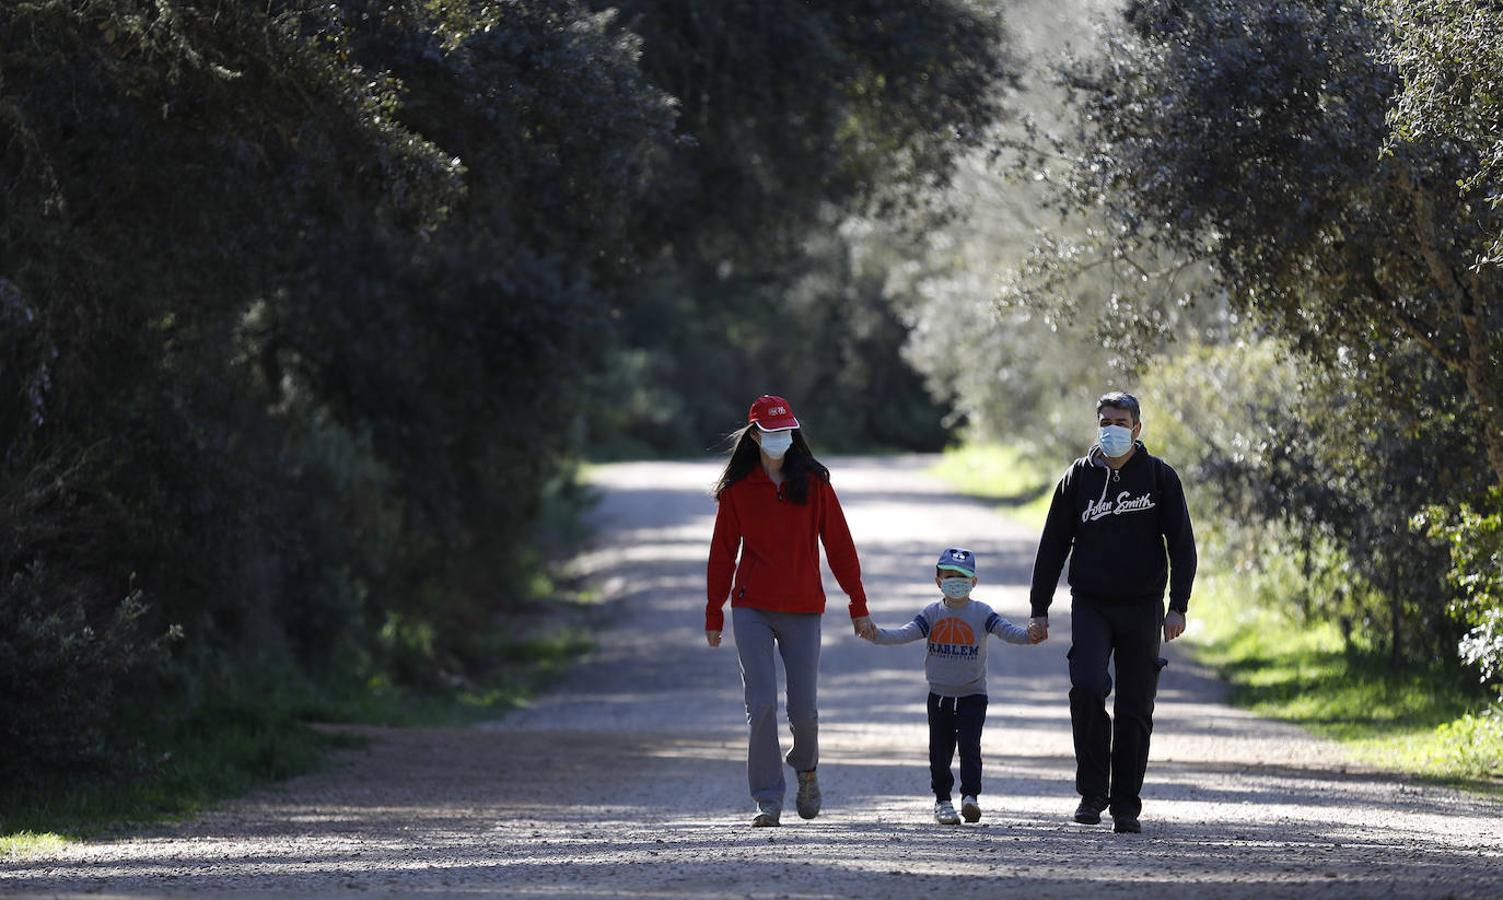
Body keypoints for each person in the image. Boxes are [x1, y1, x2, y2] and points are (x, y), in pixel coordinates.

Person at [1027, 391, 1197, 834]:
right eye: (1106, 421)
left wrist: (1178, 605)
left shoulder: (1160, 478)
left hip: (1143, 606)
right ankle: (1092, 793)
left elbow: (1182, 545)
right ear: (1097, 424)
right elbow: (1052, 545)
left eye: (1121, 422)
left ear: (1137, 428)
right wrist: (1039, 608)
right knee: (1086, 686)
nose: (1113, 429)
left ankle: (1125, 804)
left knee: (1136, 705)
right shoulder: (1077, 478)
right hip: (1092, 604)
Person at [706, 394, 877, 828]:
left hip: (803, 608)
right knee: (760, 704)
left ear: (793, 433)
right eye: (772, 432)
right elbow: (722, 555)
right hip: (752, 609)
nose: (780, 439)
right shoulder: (738, 491)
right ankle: (767, 799)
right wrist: (714, 612)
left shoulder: (816, 484)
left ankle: (806, 768)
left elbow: (839, 547)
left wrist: (858, 604)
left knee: (804, 709)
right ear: (755, 435)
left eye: (787, 432)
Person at [863, 548, 1040, 825]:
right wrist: (877, 635)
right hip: (940, 697)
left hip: (973, 694)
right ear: (938, 581)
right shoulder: (932, 614)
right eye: (949, 576)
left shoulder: (982, 613)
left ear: (974, 582)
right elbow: (905, 633)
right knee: (940, 750)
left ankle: (970, 797)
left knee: (970, 746)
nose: (955, 581)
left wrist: (1030, 636)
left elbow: (1008, 631)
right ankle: (942, 801)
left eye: (962, 576)